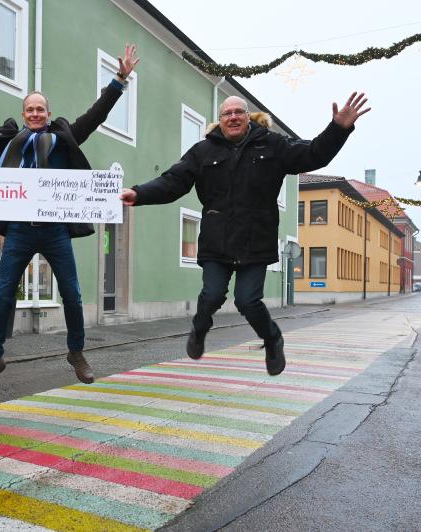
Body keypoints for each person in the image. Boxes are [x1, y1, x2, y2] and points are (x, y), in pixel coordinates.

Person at [0, 44, 140, 392]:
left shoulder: (63, 138)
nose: (35, 113)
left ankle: (76, 352)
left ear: (48, 113)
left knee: (72, 294)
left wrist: (120, 80)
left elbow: (96, 115)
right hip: (19, 231)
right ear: (24, 114)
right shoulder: (8, 141)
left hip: (55, 231)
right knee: (3, 294)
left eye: (40, 109)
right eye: (30, 109)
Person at [120, 92, 371, 375]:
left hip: (255, 241)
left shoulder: (273, 144)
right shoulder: (203, 151)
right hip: (217, 240)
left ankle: (272, 339)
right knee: (212, 295)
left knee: (247, 300)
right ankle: (199, 329)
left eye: (239, 112)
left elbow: (314, 153)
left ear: (248, 117)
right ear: (220, 120)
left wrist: (338, 129)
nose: (233, 117)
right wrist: (139, 194)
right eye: (227, 114)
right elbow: (172, 182)